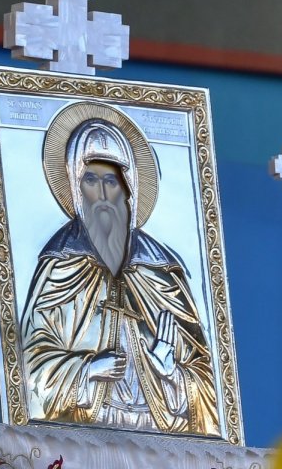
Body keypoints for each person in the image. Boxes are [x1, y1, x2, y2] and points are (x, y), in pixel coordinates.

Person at [20, 117, 219, 435]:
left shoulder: (160, 273)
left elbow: (208, 388)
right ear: (75, 186)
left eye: (110, 182)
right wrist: (88, 370)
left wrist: (169, 371)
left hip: (162, 440)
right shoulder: (61, 266)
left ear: (129, 189)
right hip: (78, 440)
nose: (101, 194)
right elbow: (31, 365)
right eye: (90, 180)